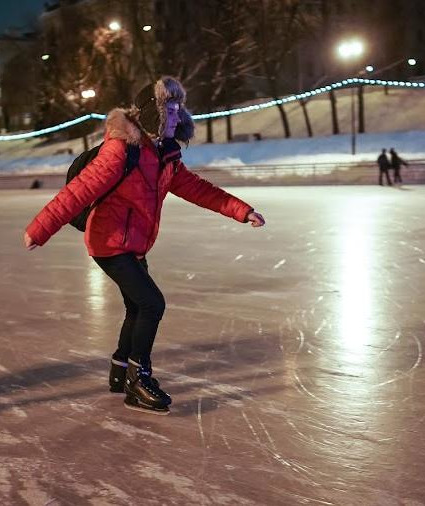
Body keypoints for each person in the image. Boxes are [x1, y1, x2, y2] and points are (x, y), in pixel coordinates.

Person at [23, 76, 265, 415]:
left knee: (138, 307)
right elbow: (79, 190)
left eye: (179, 109)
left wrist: (242, 210)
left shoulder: (166, 155)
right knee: (152, 304)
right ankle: (139, 380)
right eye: (170, 110)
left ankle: (120, 370)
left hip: (134, 243)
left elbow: (198, 189)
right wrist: (40, 228)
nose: (177, 116)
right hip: (109, 243)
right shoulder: (122, 150)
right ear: (153, 112)